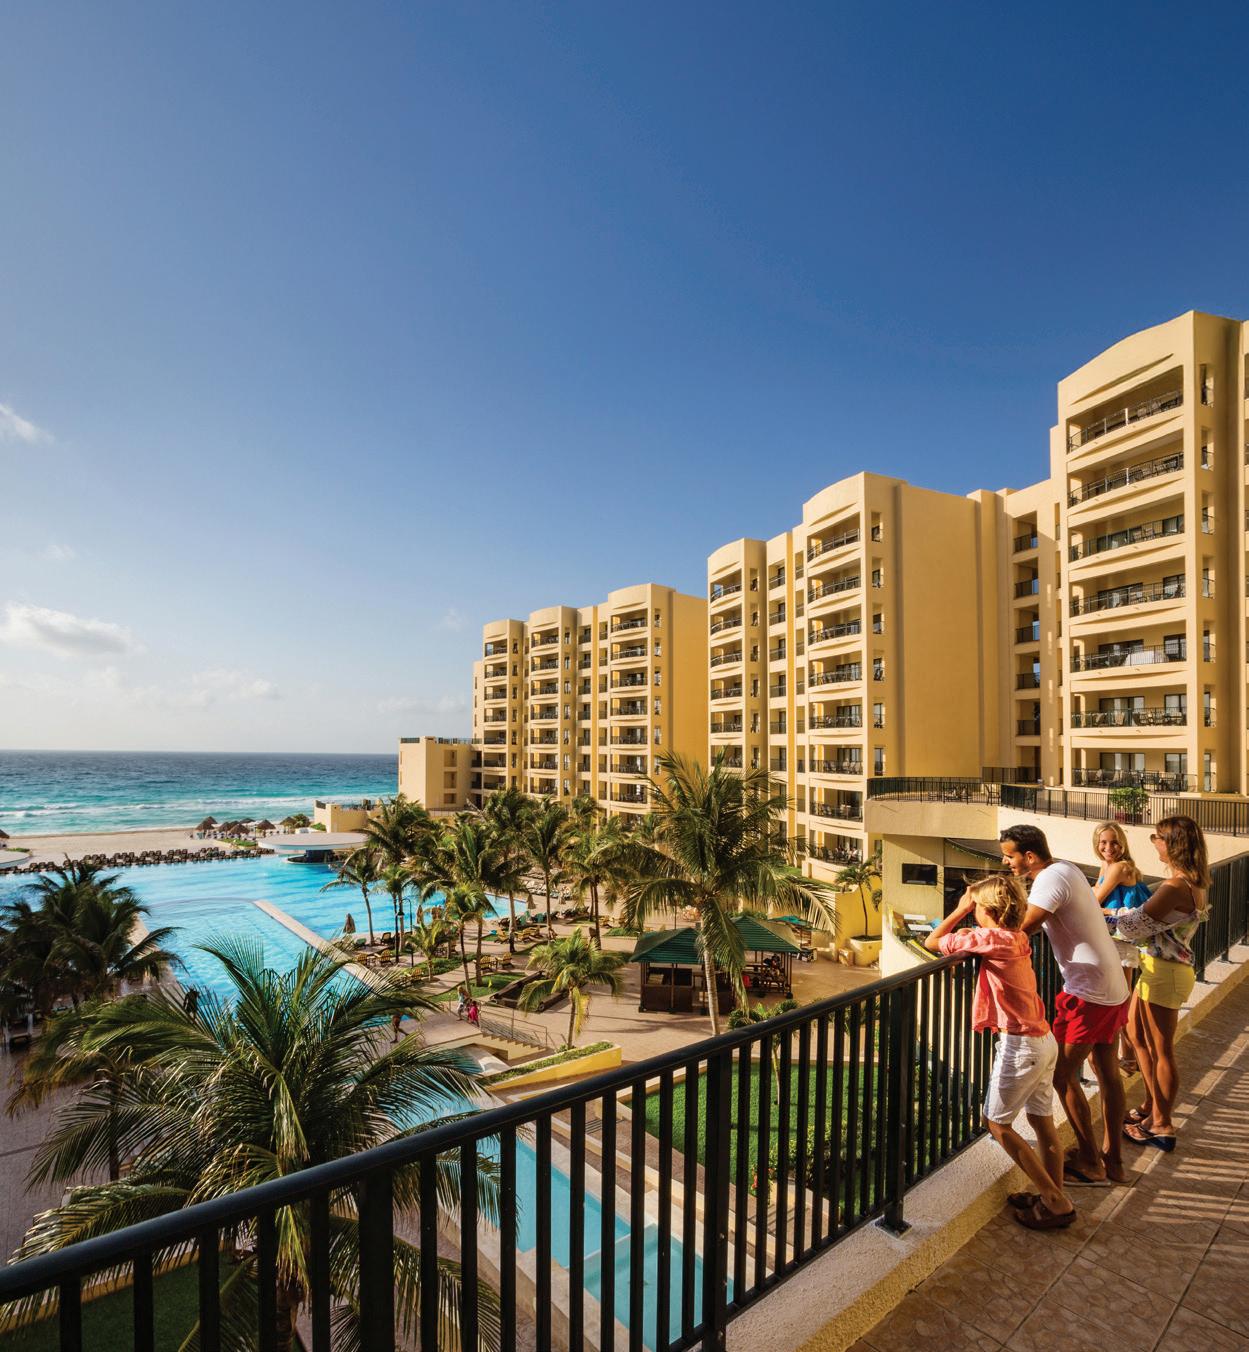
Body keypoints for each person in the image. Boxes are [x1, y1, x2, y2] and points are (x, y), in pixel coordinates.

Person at [926, 874, 1075, 1230]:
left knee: (996, 1123)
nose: (974, 911)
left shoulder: (990, 939)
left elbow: (932, 941)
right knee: (1042, 1122)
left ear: (989, 911)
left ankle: (1056, 1201)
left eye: (977, 907)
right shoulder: (1017, 936)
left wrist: (959, 910)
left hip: (1021, 1046)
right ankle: (1050, 1194)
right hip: (1043, 1040)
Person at [1000, 824, 1131, 1186]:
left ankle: (1091, 1162)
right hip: (1111, 984)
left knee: (1060, 1075)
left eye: (1009, 856)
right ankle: (1114, 1160)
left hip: (1089, 993)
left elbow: (1023, 929)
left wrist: (976, 933)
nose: (1006, 862)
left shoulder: (1048, 879)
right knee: (1107, 1071)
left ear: (1029, 856)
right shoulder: (1066, 868)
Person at [1115, 816, 1209, 1153]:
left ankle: (1162, 1124)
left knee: (1162, 1050)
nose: (1154, 842)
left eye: (1157, 837)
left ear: (1172, 844)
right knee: (1137, 1036)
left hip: (1166, 973)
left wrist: (1111, 915)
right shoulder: (1192, 883)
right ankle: (1151, 1106)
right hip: (1157, 968)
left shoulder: (1175, 887)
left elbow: (1131, 927)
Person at [1092, 821, 1152, 1073]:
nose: (1108, 847)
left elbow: (1095, 899)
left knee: (1121, 1000)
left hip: (1121, 941)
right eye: (1103, 842)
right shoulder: (1108, 865)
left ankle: (1129, 1054)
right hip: (1117, 938)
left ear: (1123, 844)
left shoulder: (1118, 867)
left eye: (1114, 842)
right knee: (1121, 997)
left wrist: (1105, 910)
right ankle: (1129, 1055)